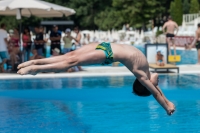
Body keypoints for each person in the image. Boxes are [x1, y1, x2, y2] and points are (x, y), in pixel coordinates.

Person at [17, 42, 175, 115]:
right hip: (104, 45)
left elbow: (155, 93)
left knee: (71, 62)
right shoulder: (146, 73)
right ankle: (35, 61)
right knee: (69, 55)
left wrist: (166, 107)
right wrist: (168, 101)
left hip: (108, 54)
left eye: (156, 85)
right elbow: (157, 91)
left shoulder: (141, 75)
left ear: (146, 85)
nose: (158, 84)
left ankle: (36, 69)